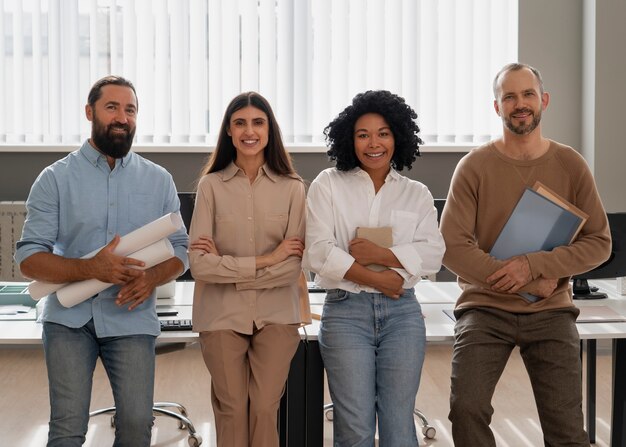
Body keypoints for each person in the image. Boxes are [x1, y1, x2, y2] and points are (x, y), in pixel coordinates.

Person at [440, 63, 611, 446]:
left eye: (528, 94)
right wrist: (520, 278)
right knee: (466, 410)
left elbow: (599, 241)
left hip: (550, 311)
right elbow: (452, 246)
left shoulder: (571, 164)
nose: (520, 104)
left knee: (567, 428)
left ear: (543, 101)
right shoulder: (474, 166)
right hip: (484, 308)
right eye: (510, 97)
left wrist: (534, 265)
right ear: (497, 107)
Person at [14, 76, 189, 447]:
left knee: (137, 425)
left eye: (130, 109)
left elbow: (181, 251)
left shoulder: (158, 181)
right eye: (112, 107)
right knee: (67, 428)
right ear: (90, 112)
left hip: (131, 317)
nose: (122, 117)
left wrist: (151, 278)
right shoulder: (54, 179)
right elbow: (29, 260)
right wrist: (91, 269)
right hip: (68, 320)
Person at [303, 90, 445, 446]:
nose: (373, 143)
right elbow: (319, 253)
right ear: (349, 140)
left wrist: (380, 254)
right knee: (355, 430)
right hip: (345, 313)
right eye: (362, 134)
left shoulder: (416, 193)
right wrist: (382, 281)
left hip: (403, 317)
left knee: (400, 430)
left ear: (398, 136)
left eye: (383, 133)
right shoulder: (328, 184)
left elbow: (433, 256)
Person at [188, 91, 306, 447]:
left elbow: (292, 269)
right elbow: (199, 265)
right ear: (228, 131)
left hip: (277, 314)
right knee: (232, 408)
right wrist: (267, 260)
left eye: (258, 122)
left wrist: (228, 267)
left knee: (265, 408)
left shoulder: (294, 188)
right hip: (220, 315)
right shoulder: (210, 186)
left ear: (270, 130)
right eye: (239, 123)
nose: (249, 131)